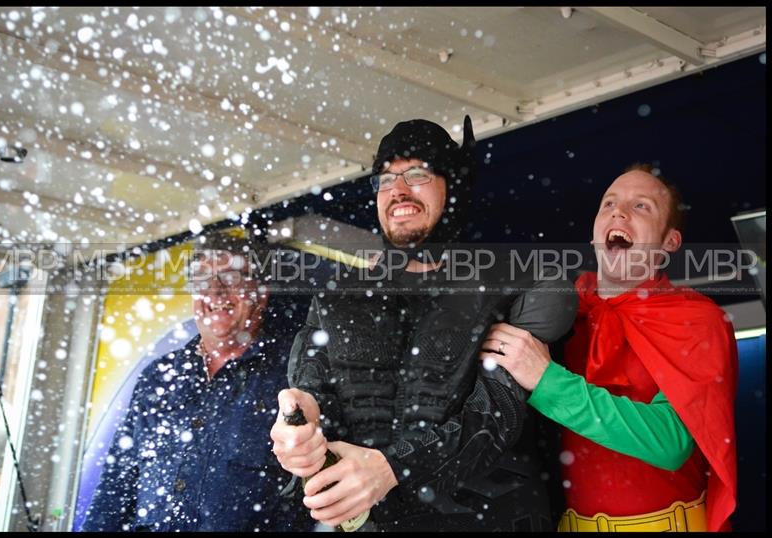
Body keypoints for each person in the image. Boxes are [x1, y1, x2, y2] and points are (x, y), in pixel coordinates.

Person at [270, 116, 579, 531]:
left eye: (417, 173)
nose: (397, 189)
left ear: (453, 186)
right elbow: (310, 395)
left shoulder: (521, 283)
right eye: (385, 178)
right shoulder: (336, 296)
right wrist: (299, 436)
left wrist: (391, 468)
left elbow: (495, 415)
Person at [479, 164, 738, 531]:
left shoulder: (696, 321)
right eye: (609, 204)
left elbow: (670, 441)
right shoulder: (563, 312)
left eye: (641, 206)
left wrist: (547, 380)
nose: (618, 212)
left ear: (669, 242)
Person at [82, 231, 308, 531]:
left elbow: (309, 499)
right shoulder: (157, 377)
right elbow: (115, 490)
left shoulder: (294, 377)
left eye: (230, 278)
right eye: (202, 279)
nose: (215, 292)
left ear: (260, 293)